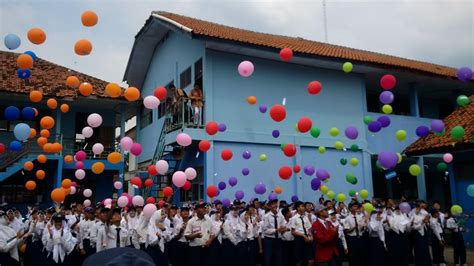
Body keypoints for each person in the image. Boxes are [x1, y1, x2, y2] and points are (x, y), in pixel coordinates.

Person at [262, 199, 286, 266]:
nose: (275, 205)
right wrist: (276, 230)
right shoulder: (266, 216)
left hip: (278, 239)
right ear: (270, 206)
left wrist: (284, 229)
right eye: (273, 204)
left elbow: (283, 225)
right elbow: (265, 230)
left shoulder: (280, 216)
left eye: (276, 204)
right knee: (268, 259)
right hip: (269, 240)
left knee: (278, 259)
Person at [290, 201, 314, 266]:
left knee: (310, 260)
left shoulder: (305, 217)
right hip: (299, 239)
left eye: (304, 206)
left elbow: (309, 229)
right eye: (302, 206)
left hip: (307, 238)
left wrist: (311, 236)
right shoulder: (294, 218)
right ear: (298, 208)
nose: (304, 208)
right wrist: (303, 236)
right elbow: (293, 231)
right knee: (299, 260)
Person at [343, 201, 366, 266]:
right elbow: (347, 231)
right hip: (352, 239)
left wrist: (362, 227)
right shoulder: (347, 218)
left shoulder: (359, 216)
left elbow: (361, 229)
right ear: (350, 208)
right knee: (353, 257)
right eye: (354, 206)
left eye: (356, 206)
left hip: (360, 238)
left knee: (361, 256)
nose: (356, 207)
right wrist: (354, 227)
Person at [411, 201, 432, 266]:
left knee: (425, 248)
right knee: (418, 249)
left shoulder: (424, 212)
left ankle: (427, 263)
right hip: (417, 233)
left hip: (424, 232)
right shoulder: (412, 212)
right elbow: (413, 225)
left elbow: (428, 221)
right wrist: (422, 221)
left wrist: (427, 221)